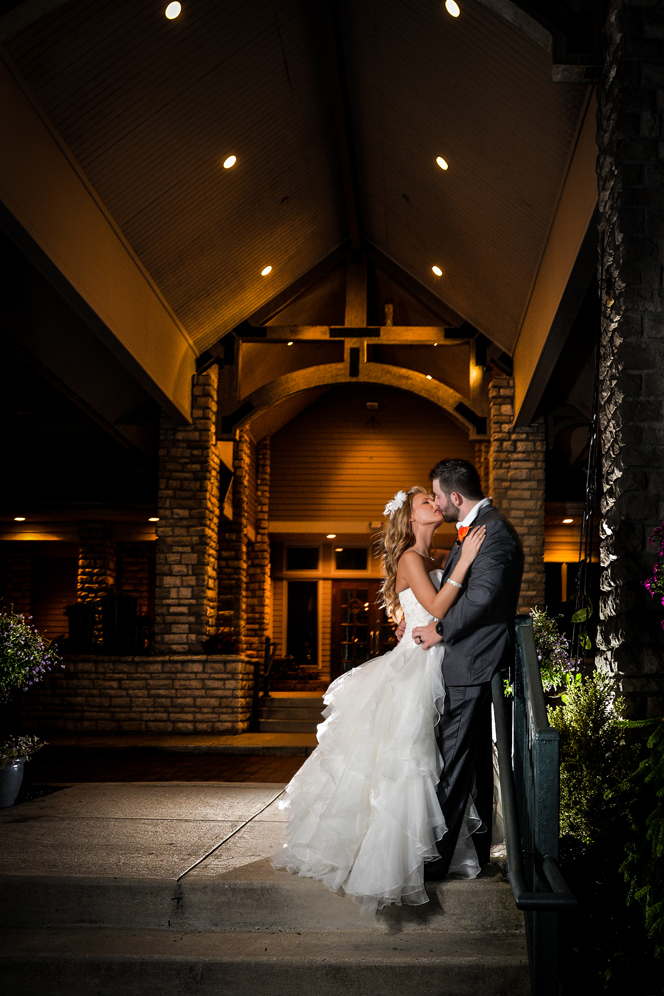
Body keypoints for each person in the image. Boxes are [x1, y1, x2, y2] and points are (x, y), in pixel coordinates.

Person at [272, 486, 486, 914]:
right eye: (426, 502)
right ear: (411, 519)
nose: (435, 504)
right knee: (405, 763)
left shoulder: (436, 556)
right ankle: (390, 858)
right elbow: (438, 607)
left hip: (438, 658)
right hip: (417, 665)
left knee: (435, 760)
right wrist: (464, 561)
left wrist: (458, 559)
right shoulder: (411, 556)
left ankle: (431, 844)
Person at [410, 459, 523, 879]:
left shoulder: (493, 533)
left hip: (472, 661)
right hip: (466, 661)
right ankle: (472, 854)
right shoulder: (479, 530)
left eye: (438, 496)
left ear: (455, 497)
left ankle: (434, 863)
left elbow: (481, 599)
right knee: (469, 764)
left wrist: (439, 629)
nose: (437, 503)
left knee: (453, 764)